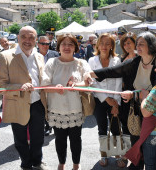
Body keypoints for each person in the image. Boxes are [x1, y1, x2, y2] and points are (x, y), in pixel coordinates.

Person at [84, 31, 156, 170]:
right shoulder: (136, 61)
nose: (138, 46)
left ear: (151, 45)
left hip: (153, 110)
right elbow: (113, 71)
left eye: (141, 44)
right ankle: (138, 163)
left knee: (150, 141)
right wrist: (90, 74)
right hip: (137, 109)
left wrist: (136, 94)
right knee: (136, 137)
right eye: (137, 43)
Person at [0, 26, 48, 170]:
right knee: (20, 140)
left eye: (31, 37)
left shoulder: (39, 56)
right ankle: (26, 163)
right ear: (18, 38)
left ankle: (37, 161)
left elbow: (43, 80)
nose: (27, 40)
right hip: (17, 103)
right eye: (24, 36)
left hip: (38, 103)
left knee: (38, 138)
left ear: (36, 40)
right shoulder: (5, 56)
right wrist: (19, 87)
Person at [41, 34, 92, 170]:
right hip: (57, 109)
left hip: (75, 109)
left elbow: (88, 82)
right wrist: (55, 88)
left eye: (70, 44)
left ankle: (76, 164)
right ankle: (61, 163)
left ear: (76, 47)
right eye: (64, 44)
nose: (67, 47)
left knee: (76, 139)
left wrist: (78, 84)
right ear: (58, 47)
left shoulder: (81, 63)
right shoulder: (52, 62)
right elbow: (44, 85)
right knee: (60, 139)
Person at [88, 33, 124, 168]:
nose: (104, 46)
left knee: (116, 127)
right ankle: (104, 154)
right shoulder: (92, 61)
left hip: (114, 99)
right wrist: (105, 98)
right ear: (97, 45)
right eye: (102, 43)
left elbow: (118, 82)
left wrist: (116, 103)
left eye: (108, 43)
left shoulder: (116, 60)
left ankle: (118, 154)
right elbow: (92, 82)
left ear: (112, 46)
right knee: (102, 128)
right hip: (99, 100)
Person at [37, 36, 59, 136]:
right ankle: (47, 126)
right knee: (43, 106)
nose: (45, 46)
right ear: (38, 44)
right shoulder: (34, 55)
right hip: (40, 86)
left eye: (47, 44)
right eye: (43, 44)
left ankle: (53, 126)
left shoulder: (55, 54)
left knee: (52, 106)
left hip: (52, 85)